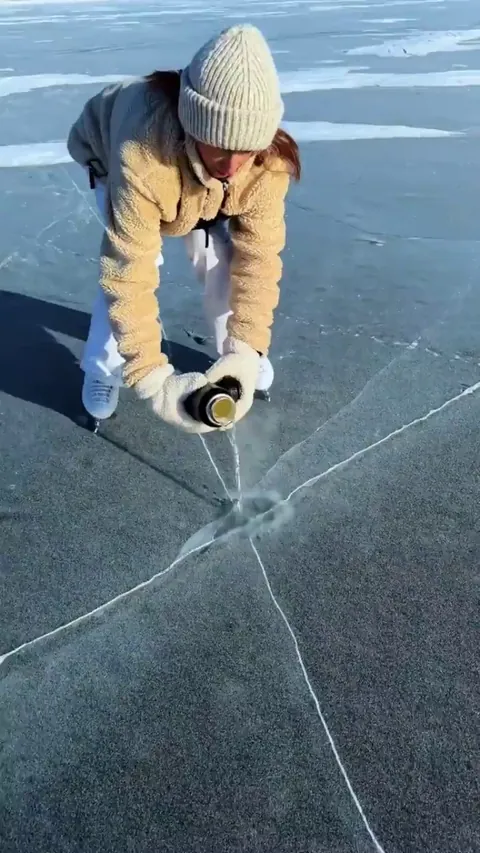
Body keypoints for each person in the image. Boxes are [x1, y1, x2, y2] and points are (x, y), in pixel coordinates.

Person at [67, 24, 300, 434]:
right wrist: (151, 378)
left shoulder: (266, 166)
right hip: (110, 152)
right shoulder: (141, 156)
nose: (232, 165)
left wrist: (247, 349)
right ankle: (102, 370)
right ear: (194, 124)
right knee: (135, 267)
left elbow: (259, 261)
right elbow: (128, 273)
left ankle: (234, 351)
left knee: (221, 258)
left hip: (189, 180)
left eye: (246, 148)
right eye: (220, 145)